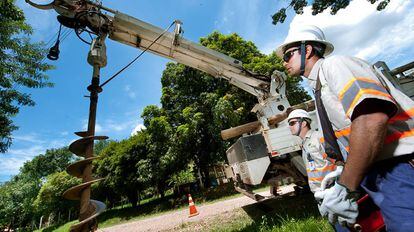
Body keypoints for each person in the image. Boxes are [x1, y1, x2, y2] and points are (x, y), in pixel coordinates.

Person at [277, 25, 414, 231]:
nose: (284, 62)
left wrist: (345, 186)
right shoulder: (320, 87)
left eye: (288, 55)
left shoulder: (336, 65)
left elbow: (371, 119)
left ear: (307, 50)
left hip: (395, 167)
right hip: (371, 169)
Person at [287, 109, 337, 193]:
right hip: (320, 190)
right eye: (289, 124)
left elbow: (337, 162)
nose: (290, 126)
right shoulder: (305, 143)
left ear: (303, 123)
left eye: (292, 123)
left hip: (332, 188)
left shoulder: (318, 138)